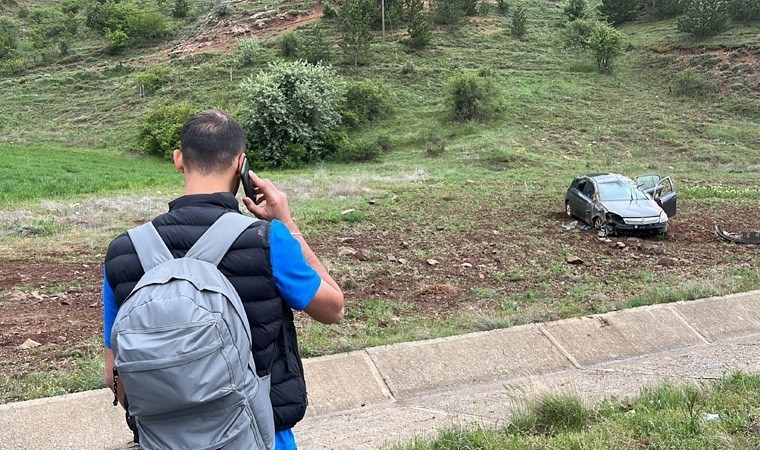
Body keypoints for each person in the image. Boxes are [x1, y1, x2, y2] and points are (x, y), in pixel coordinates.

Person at [102, 109, 345, 449]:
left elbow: (116, 373)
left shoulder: (124, 251)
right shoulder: (268, 239)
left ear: (178, 160)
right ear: (241, 165)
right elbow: (333, 309)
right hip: (260, 438)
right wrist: (289, 226)